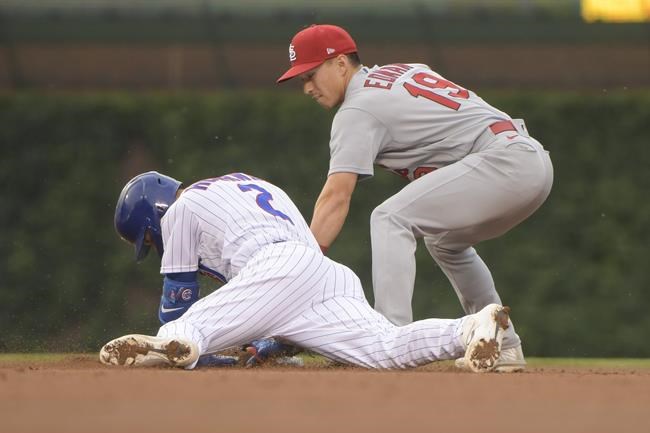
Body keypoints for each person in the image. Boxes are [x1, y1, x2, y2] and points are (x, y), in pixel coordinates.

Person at [276, 24, 554, 372]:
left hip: (504, 162)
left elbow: (335, 197)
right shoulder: (403, 71)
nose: (307, 87)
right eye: (301, 79)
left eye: (311, 74)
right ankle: (505, 343)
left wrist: (301, 269)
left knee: (390, 218)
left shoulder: (357, 111)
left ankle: (387, 340)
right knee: (444, 242)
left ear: (341, 64)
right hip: (528, 160)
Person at [100, 171, 511, 372]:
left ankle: (171, 351)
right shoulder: (250, 185)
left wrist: (214, 356)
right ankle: (471, 327)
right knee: (386, 349)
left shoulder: (181, 211)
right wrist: (273, 345)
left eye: (149, 240)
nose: (156, 246)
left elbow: (176, 305)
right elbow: (276, 297)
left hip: (277, 268)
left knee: (180, 333)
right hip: (322, 273)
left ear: (153, 217)